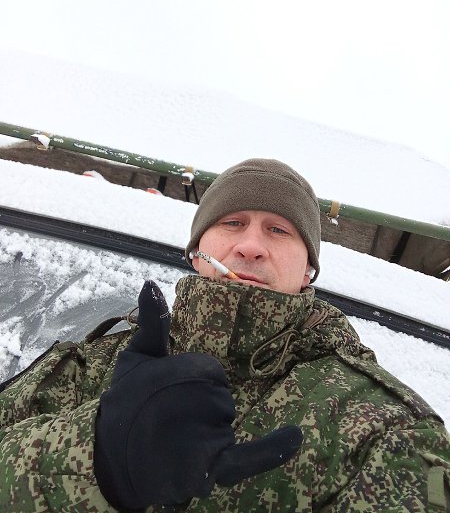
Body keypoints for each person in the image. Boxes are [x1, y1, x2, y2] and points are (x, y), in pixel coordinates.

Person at [1, 158, 449, 512]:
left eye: (279, 230)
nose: (250, 246)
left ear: (307, 270)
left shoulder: (378, 424)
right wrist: (94, 458)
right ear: (197, 252)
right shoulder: (95, 363)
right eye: (232, 222)